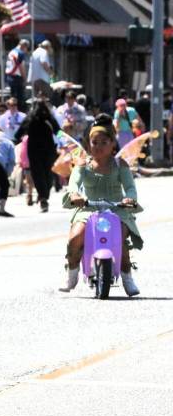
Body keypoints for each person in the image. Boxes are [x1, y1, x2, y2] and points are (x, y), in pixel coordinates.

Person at [60, 121, 141, 296]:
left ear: (112, 144)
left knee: (119, 238)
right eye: (94, 142)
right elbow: (74, 183)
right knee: (75, 237)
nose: (98, 146)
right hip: (88, 208)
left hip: (117, 209)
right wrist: (75, 195)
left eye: (104, 142)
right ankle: (71, 274)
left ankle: (128, 277)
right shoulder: (83, 164)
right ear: (89, 143)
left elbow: (130, 187)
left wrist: (130, 198)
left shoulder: (120, 164)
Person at [16, 99, 60, 213]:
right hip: (49, 149)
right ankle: (44, 195)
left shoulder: (30, 119)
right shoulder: (49, 118)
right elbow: (58, 131)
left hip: (34, 150)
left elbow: (18, 134)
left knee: (37, 174)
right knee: (48, 173)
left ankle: (43, 197)